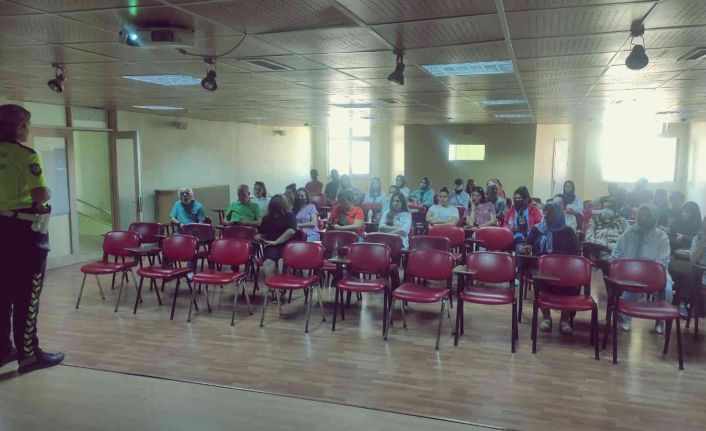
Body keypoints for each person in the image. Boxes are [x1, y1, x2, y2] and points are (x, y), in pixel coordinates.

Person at [0, 104, 64, 373]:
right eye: (26, 125)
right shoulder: (26, 155)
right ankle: (28, 355)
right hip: (23, 232)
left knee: (1, 294)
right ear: (19, 127)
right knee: (28, 293)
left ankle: (3, 350)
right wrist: (46, 192)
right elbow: (39, 194)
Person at [612, 203, 673, 334]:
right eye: (642, 215)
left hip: (656, 273)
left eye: (648, 216)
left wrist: (647, 272)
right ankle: (624, 318)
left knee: (667, 291)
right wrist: (619, 265)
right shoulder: (628, 233)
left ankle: (660, 319)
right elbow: (617, 253)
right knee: (629, 290)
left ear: (655, 217)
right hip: (631, 272)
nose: (644, 218)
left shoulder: (661, 236)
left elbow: (663, 261)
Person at [520, 201, 578, 334]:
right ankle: (546, 318)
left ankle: (564, 320)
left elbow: (575, 254)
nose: (546, 215)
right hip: (541, 269)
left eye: (550, 213)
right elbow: (527, 246)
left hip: (564, 270)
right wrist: (525, 249)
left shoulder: (568, 232)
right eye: (545, 212)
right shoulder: (537, 230)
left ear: (558, 214)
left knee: (570, 285)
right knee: (539, 280)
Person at [668, 202, 702, 318]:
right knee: (684, 271)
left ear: (694, 214)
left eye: (688, 212)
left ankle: (685, 303)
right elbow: (671, 240)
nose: (684, 214)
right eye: (683, 211)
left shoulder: (698, 227)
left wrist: (683, 238)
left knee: (693, 272)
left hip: (693, 260)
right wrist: (686, 240)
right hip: (675, 257)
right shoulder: (675, 224)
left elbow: (698, 241)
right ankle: (679, 302)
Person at [256, 195, 297, 281]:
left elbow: (291, 231)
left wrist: (276, 241)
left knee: (282, 262)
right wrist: (258, 236)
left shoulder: (289, 216)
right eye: (274, 202)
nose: (276, 204)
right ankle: (271, 285)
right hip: (271, 246)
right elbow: (261, 232)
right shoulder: (266, 218)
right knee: (268, 262)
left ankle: (282, 286)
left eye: (278, 202)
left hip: (286, 245)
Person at [584, 197, 629, 273]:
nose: (606, 209)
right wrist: (607, 245)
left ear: (614, 209)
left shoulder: (622, 221)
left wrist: (615, 247)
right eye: (604, 207)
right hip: (601, 250)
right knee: (608, 262)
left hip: (618, 251)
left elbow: (627, 239)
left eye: (609, 207)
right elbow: (588, 238)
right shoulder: (594, 219)